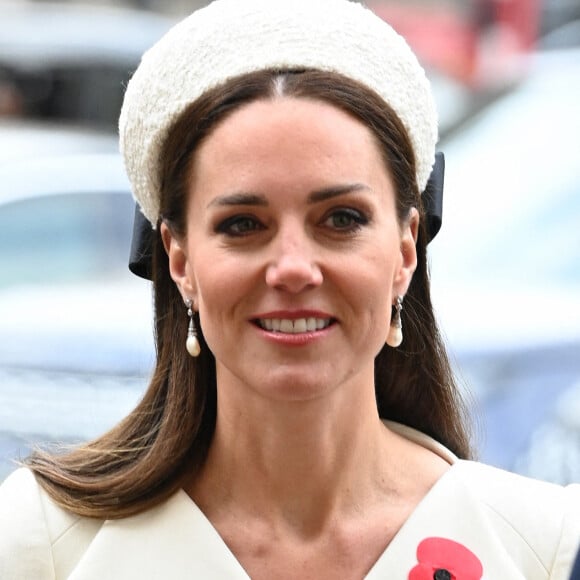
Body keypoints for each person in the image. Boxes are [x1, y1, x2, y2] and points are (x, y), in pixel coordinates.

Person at [1, 0, 579, 578]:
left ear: (406, 249)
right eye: (243, 225)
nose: (294, 269)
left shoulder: (545, 546)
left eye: (341, 219)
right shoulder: (46, 541)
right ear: (178, 260)